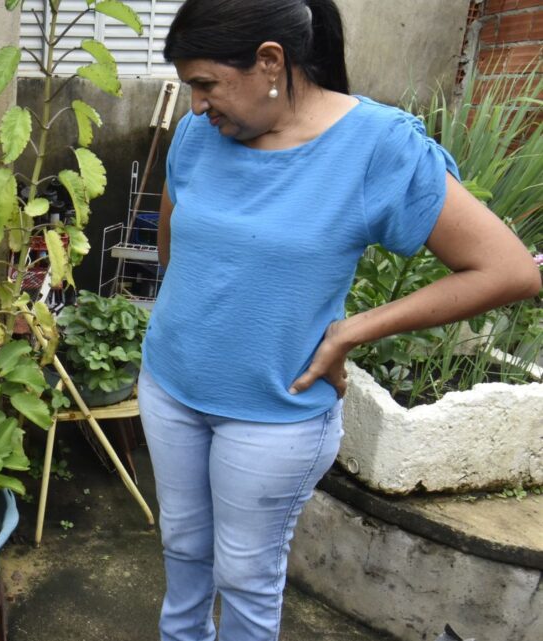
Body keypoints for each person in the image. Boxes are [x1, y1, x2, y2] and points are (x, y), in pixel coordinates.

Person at [138, 1, 542, 640]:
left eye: (206, 84)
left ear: (271, 61)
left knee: (245, 576)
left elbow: (509, 270)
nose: (194, 105)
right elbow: (173, 245)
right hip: (169, 387)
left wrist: (353, 330)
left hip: (272, 413)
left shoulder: (376, 148)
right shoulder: (200, 133)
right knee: (183, 550)